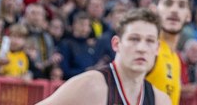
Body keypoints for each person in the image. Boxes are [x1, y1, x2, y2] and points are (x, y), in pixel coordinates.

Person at [39, 8, 171, 105]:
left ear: (157, 48)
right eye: (134, 39)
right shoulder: (89, 85)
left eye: (150, 41)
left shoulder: (161, 100)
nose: (141, 48)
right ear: (116, 44)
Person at [147, 0, 190, 104]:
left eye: (181, 5)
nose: (174, 10)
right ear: (154, 10)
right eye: (168, 3)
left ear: (189, 15)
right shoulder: (148, 48)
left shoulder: (176, 58)